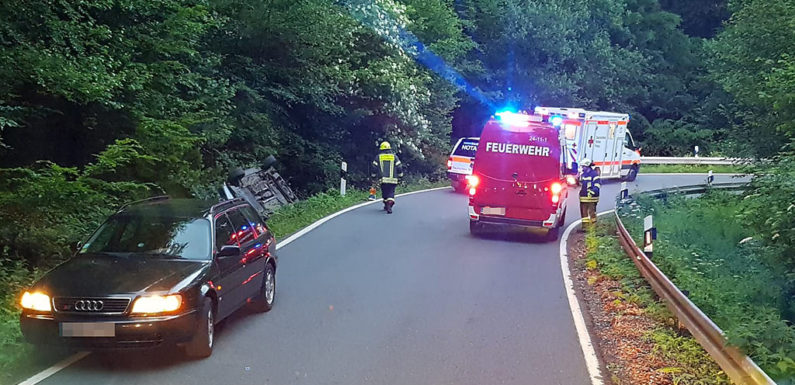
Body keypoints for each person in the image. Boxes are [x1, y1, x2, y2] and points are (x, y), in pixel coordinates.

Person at [371, 141, 403, 214]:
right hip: (393, 179)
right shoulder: (394, 157)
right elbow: (399, 167)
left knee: (385, 192)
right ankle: (390, 204)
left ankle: (386, 204)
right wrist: (400, 176)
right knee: (391, 192)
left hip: (383, 180)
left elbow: (374, 167)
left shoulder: (378, 157)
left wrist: (373, 176)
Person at [579, 158, 600, 230]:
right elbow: (581, 184)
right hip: (584, 197)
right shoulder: (583, 174)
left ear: (587, 166)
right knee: (584, 214)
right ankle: (585, 227)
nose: (582, 168)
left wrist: (592, 192)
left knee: (592, 213)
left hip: (592, 198)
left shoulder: (594, 174)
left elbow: (597, 185)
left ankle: (593, 228)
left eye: (583, 166)